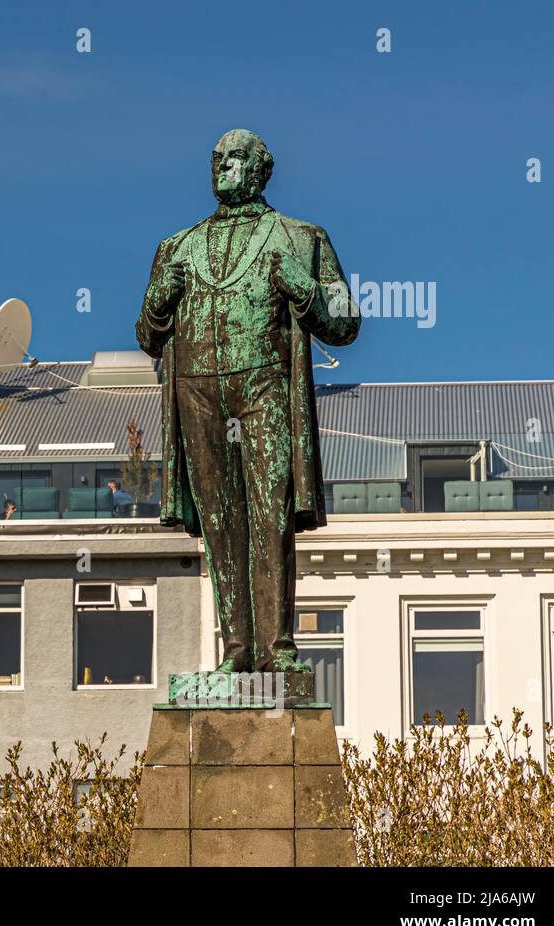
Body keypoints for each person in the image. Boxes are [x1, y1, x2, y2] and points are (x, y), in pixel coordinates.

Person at [136, 128, 360, 673]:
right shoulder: (176, 246)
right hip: (196, 387)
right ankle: (236, 651)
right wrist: (160, 303)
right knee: (218, 521)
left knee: (270, 514)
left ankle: (277, 650)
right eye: (216, 158)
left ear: (261, 170)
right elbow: (147, 335)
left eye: (234, 158)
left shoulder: (302, 237)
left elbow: (346, 321)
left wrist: (302, 288)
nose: (222, 166)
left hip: (264, 385)